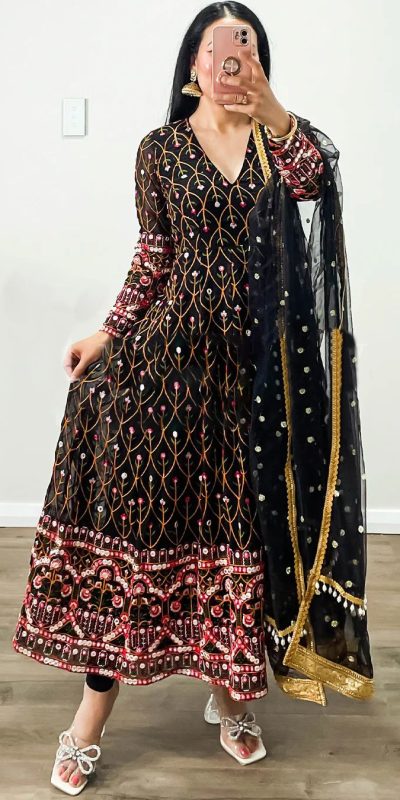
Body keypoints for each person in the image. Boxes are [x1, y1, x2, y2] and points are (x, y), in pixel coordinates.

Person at [11, 1, 374, 794]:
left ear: (261, 62)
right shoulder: (160, 149)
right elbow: (154, 254)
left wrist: (274, 113)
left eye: (248, 43)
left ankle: (229, 692)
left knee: (234, 532)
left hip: (256, 376)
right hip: (170, 362)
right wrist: (109, 331)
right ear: (192, 67)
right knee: (142, 523)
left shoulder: (281, 142)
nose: (232, 55)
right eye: (218, 45)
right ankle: (90, 719)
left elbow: (317, 181)